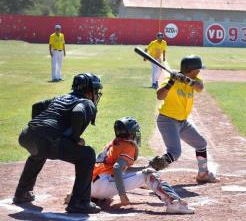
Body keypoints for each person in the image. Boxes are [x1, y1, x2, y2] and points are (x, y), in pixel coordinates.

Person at [13, 73, 103, 214]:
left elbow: (37, 106)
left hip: (27, 135)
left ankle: (22, 193)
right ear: (89, 90)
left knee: (39, 152)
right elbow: (78, 112)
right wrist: (75, 138)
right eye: (95, 90)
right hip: (49, 139)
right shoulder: (87, 102)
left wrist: (39, 132)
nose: (96, 94)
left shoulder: (61, 97)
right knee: (87, 154)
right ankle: (79, 202)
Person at [89, 117, 194, 214]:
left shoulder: (113, 144)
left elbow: (119, 169)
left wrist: (145, 167)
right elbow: (117, 168)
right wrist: (122, 194)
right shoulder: (128, 146)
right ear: (131, 134)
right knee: (149, 174)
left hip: (90, 187)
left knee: (145, 171)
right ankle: (173, 203)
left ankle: (95, 198)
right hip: (104, 186)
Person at [148, 55, 219, 184]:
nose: (199, 71)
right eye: (197, 69)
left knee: (201, 143)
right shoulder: (172, 81)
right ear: (191, 70)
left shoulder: (195, 79)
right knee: (174, 152)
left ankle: (203, 174)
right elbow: (160, 96)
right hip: (167, 120)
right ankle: (148, 172)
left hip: (182, 122)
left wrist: (186, 80)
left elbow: (200, 87)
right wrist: (171, 82)